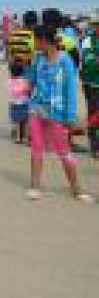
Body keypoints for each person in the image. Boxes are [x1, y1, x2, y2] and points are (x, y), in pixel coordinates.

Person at [25, 25, 93, 203]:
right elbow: (30, 81)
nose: (34, 43)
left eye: (36, 40)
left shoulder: (65, 61)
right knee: (36, 147)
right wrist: (28, 97)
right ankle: (35, 185)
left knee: (64, 151)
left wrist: (69, 118)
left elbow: (70, 90)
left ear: (44, 40)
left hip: (58, 113)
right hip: (37, 109)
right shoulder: (37, 59)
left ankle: (76, 189)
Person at [81, 19, 99, 158]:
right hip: (92, 83)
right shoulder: (88, 40)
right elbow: (87, 61)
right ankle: (95, 147)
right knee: (93, 114)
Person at [8, 62, 31, 145]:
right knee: (25, 122)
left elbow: (11, 91)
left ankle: (18, 138)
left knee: (17, 122)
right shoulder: (24, 81)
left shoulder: (10, 81)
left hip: (14, 103)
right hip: (24, 103)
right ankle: (25, 138)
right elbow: (28, 90)